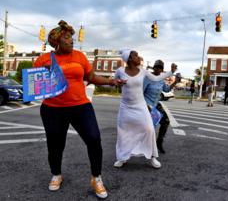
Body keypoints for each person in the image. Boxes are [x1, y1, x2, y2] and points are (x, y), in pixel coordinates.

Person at [33, 20, 125, 199]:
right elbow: (35, 85)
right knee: (55, 145)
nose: (71, 40)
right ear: (57, 41)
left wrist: (111, 81)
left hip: (80, 106)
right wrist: (43, 73)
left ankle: (96, 178)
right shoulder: (44, 59)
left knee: (94, 139)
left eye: (71, 37)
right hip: (52, 109)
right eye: (67, 37)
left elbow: (91, 76)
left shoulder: (80, 56)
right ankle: (56, 175)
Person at [113, 49, 177, 169]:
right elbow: (112, 82)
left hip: (140, 106)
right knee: (124, 132)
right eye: (136, 56)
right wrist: (115, 82)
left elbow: (157, 78)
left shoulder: (142, 71)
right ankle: (122, 157)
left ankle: (152, 157)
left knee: (149, 129)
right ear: (130, 59)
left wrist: (171, 72)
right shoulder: (120, 71)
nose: (139, 57)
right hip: (125, 107)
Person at [143, 60, 179, 154]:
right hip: (147, 104)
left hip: (156, 104)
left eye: (160, 68)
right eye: (156, 67)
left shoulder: (161, 79)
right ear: (153, 67)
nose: (158, 69)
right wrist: (144, 105)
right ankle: (146, 146)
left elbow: (166, 89)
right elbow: (140, 93)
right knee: (150, 126)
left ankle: (159, 142)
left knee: (166, 120)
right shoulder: (147, 78)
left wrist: (175, 82)